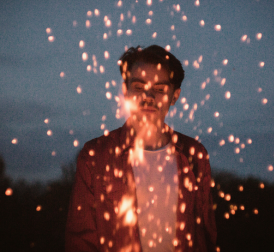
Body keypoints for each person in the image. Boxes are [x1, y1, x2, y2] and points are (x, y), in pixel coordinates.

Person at [65, 45, 217, 252]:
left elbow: (205, 235)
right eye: (138, 87)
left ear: (175, 96)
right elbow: (81, 240)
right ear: (125, 91)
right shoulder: (96, 156)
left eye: (160, 89)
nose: (149, 96)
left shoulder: (194, 154)